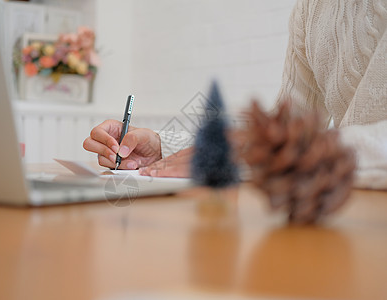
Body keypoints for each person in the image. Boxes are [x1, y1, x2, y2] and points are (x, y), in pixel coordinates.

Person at [83, 0, 387, 189]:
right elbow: (285, 132)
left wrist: (273, 147)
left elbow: (282, 145)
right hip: (345, 203)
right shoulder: (310, 9)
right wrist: (163, 148)